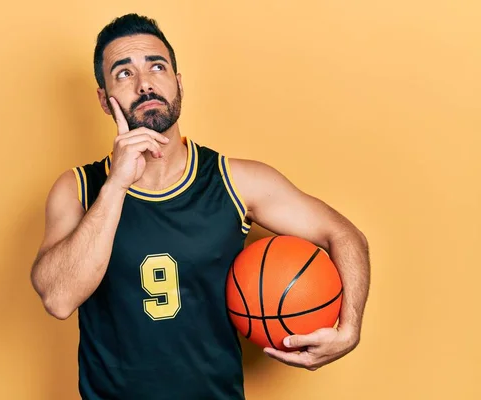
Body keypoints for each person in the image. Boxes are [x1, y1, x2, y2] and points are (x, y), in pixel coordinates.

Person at [30, 13, 370, 400]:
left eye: (157, 67)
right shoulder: (78, 188)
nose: (144, 84)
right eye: (123, 74)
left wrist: (350, 327)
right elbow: (58, 299)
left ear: (178, 84)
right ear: (104, 101)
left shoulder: (236, 181)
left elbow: (344, 234)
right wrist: (117, 184)